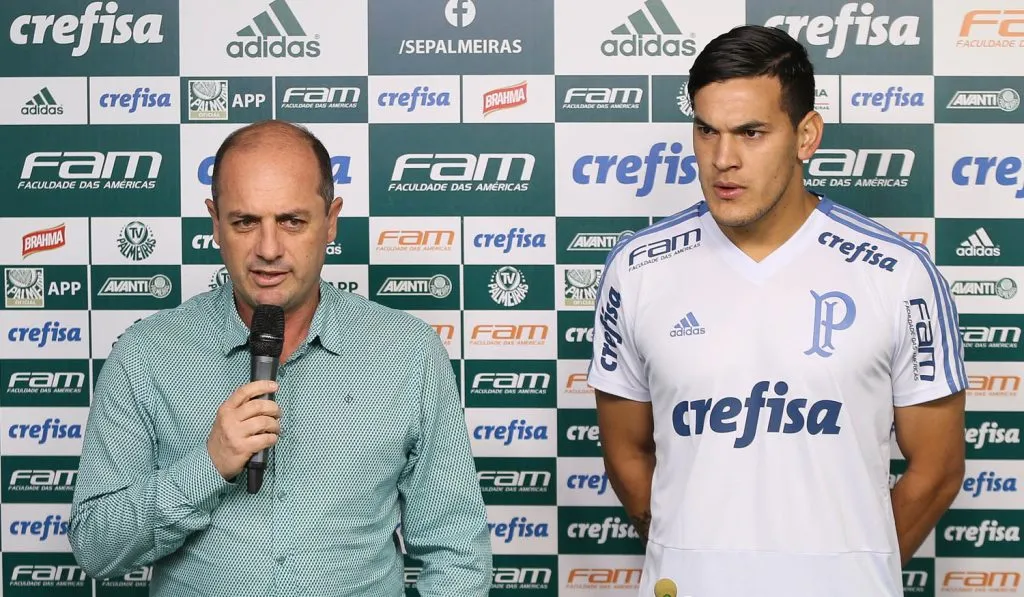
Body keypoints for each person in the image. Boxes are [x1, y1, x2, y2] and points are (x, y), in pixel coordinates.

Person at [589, 25, 966, 597]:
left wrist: (846, 568)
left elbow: (936, 472)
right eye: (705, 130)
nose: (723, 159)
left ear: (806, 135)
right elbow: (627, 454)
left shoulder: (897, 272)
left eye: (751, 133)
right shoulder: (637, 268)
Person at [69, 120, 492, 596]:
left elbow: (457, 551)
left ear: (331, 220)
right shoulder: (146, 355)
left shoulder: (408, 352)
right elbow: (95, 548)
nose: (268, 250)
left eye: (292, 221)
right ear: (215, 222)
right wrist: (207, 466)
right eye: (245, 222)